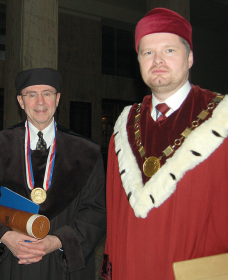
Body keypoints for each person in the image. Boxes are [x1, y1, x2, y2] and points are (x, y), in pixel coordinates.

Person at [101, 7, 228, 280]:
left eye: (169, 50)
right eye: (148, 53)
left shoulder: (222, 120)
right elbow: (115, 217)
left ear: (190, 57)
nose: (157, 60)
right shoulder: (123, 128)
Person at [0, 68, 106, 279]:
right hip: (9, 263)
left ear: (57, 99)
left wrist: (56, 242)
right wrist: (6, 238)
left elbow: (96, 212)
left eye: (47, 93)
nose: (40, 102)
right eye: (31, 94)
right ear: (20, 101)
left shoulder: (86, 153)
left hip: (61, 264)